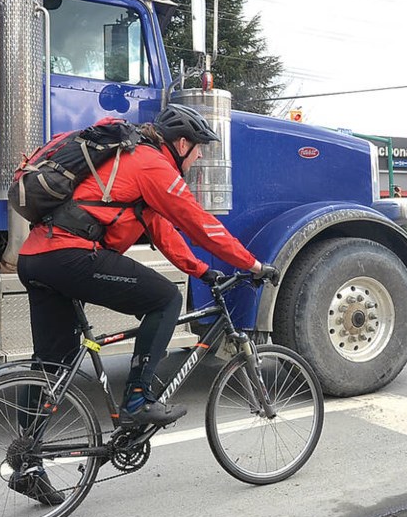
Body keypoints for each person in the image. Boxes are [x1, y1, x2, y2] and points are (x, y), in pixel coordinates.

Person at [16, 104, 277, 428]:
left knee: (51, 365)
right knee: (166, 299)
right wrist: (253, 265)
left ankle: (27, 461)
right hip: (70, 255)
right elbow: (200, 224)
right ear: (182, 144)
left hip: (36, 258)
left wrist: (201, 270)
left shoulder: (129, 163)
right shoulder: (152, 164)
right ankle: (138, 400)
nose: (197, 159)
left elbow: (162, 231)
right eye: (198, 151)